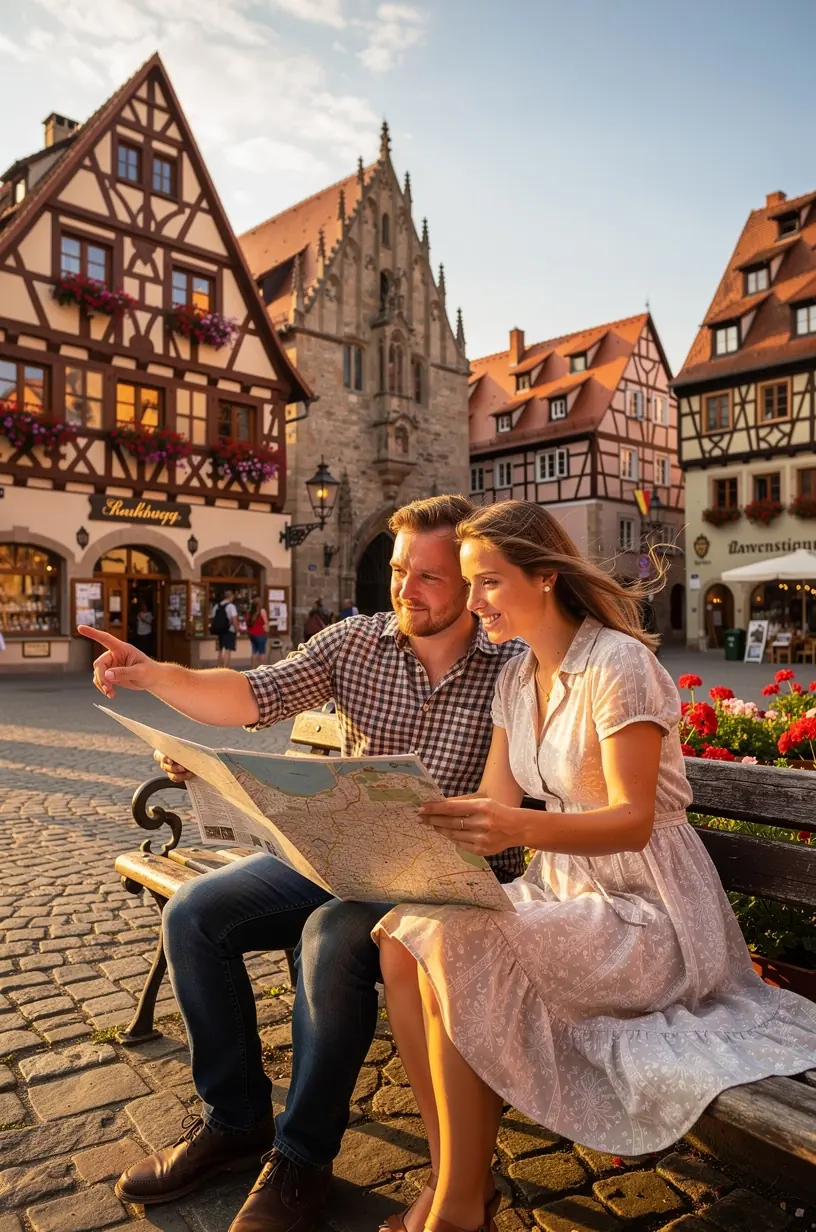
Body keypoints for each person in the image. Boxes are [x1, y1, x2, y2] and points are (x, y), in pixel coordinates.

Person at [77, 494, 526, 1232]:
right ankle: (234, 1120)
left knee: (330, 939)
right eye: (398, 570)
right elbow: (252, 694)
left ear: (475, 585)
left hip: (449, 880)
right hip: (344, 855)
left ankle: (301, 1159)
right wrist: (155, 675)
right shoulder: (354, 643)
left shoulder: (513, 664)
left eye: (429, 577)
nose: (404, 589)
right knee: (195, 915)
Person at [374, 500, 816, 1232]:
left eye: (488, 583)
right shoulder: (518, 679)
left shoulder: (619, 664)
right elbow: (491, 800)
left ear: (545, 576)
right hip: (567, 894)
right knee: (400, 937)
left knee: (454, 941)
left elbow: (633, 819)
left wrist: (516, 826)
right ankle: (453, 1173)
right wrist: (398, 818)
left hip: (653, 913)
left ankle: (457, 1207)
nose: (473, 602)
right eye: (470, 584)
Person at [210, 588, 239, 667]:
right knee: (227, 650)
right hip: (229, 630)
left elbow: (212, 618)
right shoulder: (231, 606)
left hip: (219, 631)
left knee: (220, 650)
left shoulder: (217, 606)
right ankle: (225, 668)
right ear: (231, 596)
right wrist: (237, 629)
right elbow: (234, 619)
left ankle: (218, 667)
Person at [246, 596, 268, 669]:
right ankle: (261, 669)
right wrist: (267, 630)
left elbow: (247, 623)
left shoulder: (249, 612)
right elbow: (266, 624)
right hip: (261, 634)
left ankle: (253, 668)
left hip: (252, 634)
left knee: (254, 652)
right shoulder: (262, 611)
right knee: (262, 653)